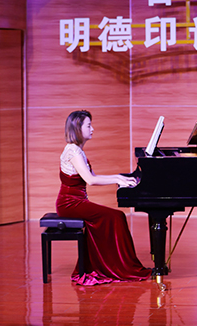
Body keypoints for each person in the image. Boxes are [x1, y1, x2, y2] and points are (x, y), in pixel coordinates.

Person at [56, 110, 152, 285]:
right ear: (78, 128)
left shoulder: (77, 150)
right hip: (69, 203)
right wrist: (117, 179)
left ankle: (116, 265)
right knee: (116, 216)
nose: (92, 129)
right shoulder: (73, 152)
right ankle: (121, 267)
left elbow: (94, 176)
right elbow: (91, 180)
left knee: (113, 217)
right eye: (88, 126)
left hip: (76, 202)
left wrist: (120, 177)